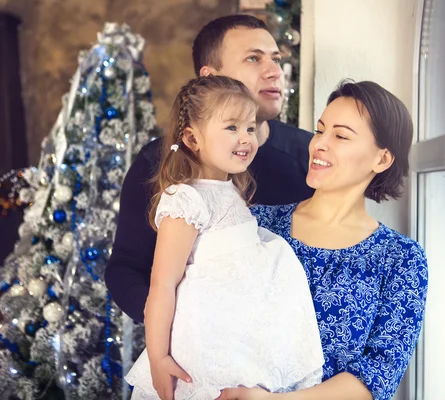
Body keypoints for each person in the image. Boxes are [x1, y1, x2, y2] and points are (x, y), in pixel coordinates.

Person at [219, 81, 429, 400]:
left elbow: (379, 374)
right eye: (320, 130)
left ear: (382, 159)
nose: (319, 144)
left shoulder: (401, 258)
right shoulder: (253, 222)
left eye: (341, 135)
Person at [124, 75, 324, 400]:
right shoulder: (186, 199)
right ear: (192, 138)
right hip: (203, 349)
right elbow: (163, 283)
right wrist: (159, 357)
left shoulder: (231, 189)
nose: (245, 138)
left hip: (237, 342)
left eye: (250, 127)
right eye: (231, 128)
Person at [105, 15, 314, 323]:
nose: (274, 72)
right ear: (210, 76)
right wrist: (183, 332)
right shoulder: (160, 161)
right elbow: (126, 268)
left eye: (276, 59)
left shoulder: (311, 156)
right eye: (253, 58)